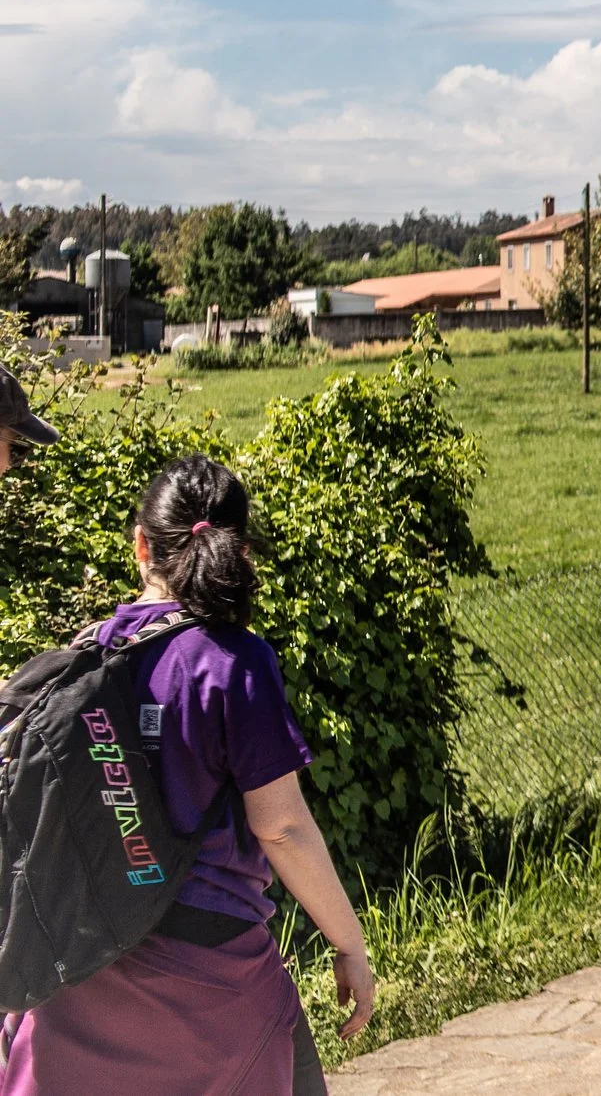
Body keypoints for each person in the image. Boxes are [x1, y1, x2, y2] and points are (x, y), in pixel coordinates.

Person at [2, 455, 377, 1096]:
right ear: (241, 550)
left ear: (140, 547)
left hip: (84, 971)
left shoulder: (85, 659)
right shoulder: (236, 664)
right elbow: (282, 828)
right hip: (216, 981)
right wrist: (350, 946)